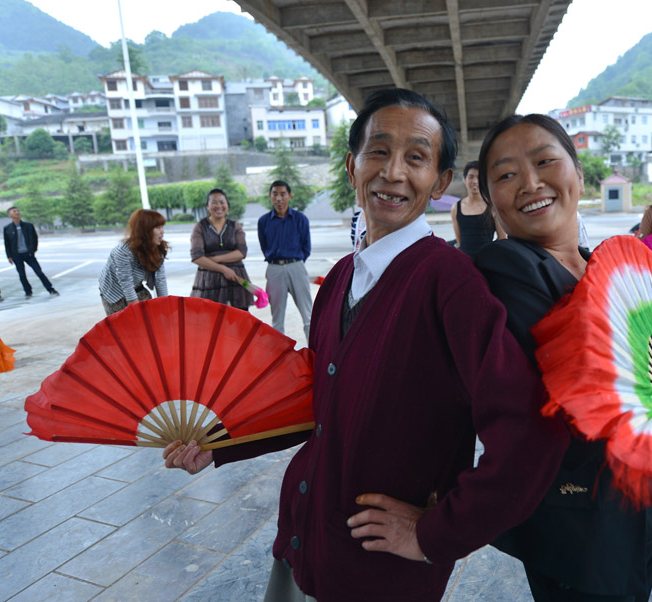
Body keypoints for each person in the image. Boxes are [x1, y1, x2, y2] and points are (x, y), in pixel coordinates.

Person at [164, 89, 567, 602]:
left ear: (441, 182)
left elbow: (532, 433)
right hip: (304, 539)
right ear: (353, 167)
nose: (393, 172)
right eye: (378, 151)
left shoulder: (450, 283)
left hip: (379, 573)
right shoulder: (340, 280)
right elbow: (315, 399)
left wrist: (434, 534)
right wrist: (223, 442)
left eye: (416, 157)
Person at [473, 114, 652, 602]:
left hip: (640, 505)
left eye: (544, 161)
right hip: (579, 526)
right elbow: (581, 417)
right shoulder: (508, 270)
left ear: (579, 176)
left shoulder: (601, 262)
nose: (530, 183)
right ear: (490, 199)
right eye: (506, 174)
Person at [257, 181, 313, 337]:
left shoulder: (300, 219)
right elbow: (264, 246)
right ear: (270, 196)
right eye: (275, 194)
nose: (279, 198)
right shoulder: (264, 221)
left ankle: (315, 356)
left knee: (309, 316)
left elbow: (306, 247)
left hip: (297, 266)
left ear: (289, 195)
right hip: (274, 269)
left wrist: (295, 263)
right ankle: (279, 358)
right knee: (277, 320)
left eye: (283, 194)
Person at [190, 189, 255, 310]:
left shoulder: (235, 225)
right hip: (209, 280)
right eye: (214, 202)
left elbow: (241, 252)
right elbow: (197, 256)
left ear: (227, 205)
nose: (219, 206)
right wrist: (223, 268)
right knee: (212, 320)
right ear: (208, 206)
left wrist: (214, 259)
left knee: (239, 320)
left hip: (236, 278)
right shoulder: (200, 227)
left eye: (222, 202)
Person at [98, 209, 170, 316]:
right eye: (158, 228)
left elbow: (160, 280)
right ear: (145, 230)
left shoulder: (158, 248)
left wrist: (165, 306)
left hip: (137, 286)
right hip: (113, 292)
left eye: (162, 227)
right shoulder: (123, 251)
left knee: (150, 319)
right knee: (124, 326)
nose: (162, 232)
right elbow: (126, 282)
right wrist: (135, 311)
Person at [450, 160, 505, 256]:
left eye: (479, 177)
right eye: (471, 177)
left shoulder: (492, 206)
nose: (475, 181)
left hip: (486, 263)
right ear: (464, 179)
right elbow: (460, 243)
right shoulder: (456, 208)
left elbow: (503, 238)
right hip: (465, 264)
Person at [3, 206, 58, 299]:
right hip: (16, 255)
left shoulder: (28, 225)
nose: (17, 212)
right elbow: (7, 243)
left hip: (29, 254)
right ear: (9, 214)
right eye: (14, 211)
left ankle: (51, 289)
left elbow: (34, 238)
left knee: (39, 272)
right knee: (22, 275)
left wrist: (33, 250)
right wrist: (9, 256)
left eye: (17, 210)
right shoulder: (7, 228)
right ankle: (28, 292)